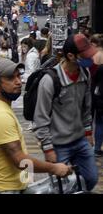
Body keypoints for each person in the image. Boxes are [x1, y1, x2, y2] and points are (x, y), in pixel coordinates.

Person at [0, 58, 72, 194]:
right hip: (3, 189)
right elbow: (20, 160)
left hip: (2, 184)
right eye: (11, 78)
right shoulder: (0, 115)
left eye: (18, 75)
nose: (18, 82)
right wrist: (54, 168)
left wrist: (27, 180)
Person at [33, 34, 99, 191]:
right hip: (58, 145)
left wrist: (88, 131)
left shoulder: (85, 74)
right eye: (85, 56)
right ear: (70, 56)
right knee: (62, 187)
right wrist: (48, 148)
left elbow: (86, 107)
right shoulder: (50, 80)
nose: (90, 59)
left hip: (80, 141)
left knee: (91, 178)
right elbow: (40, 118)